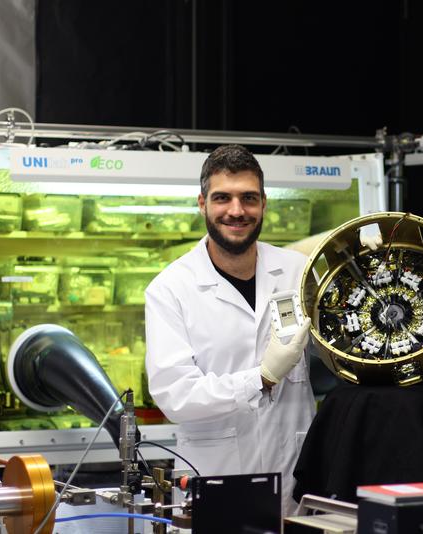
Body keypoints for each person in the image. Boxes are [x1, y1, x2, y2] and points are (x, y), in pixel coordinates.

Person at [144, 144, 315, 515]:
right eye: (223, 198)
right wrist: (262, 378)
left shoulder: (296, 271)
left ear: (264, 204)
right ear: (202, 203)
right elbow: (176, 395)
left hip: (294, 480)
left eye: (248, 198)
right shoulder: (171, 288)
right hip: (216, 478)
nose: (236, 211)